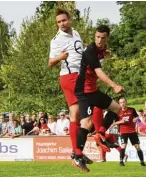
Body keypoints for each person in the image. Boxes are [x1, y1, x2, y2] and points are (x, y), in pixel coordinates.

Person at [73, 25, 124, 172]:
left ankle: (101, 134)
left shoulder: (101, 49)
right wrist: (114, 86)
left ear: (107, 37)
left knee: (117, 108)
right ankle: (77, 156)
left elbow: (102, 52)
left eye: (103, 38)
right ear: (94, 36)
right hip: (83, 91)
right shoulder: (90, 51)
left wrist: (105, 53)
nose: (100, 40)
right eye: (97, 37)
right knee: (86, 123)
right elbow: (99, 73)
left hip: (93, 90)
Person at [48, 8, 92, 165]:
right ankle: (77, 151)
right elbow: (50, 62)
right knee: (85, 114)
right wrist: (60, 57)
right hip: (70, 76)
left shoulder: (76, 33)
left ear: (69, 19)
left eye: (64, 20)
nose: (62, 24)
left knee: (77, 115)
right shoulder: (56, 40)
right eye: (59, 22)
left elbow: (80, 50)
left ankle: (77, 152)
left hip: (78, 76)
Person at [110, 97, 146, 166]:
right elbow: (114, 123)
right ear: (119, 104)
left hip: (132, 131)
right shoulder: (118, 111)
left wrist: (136, 119)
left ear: (126, 102)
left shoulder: (132, 109)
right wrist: (121, 121)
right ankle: (121, 161)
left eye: (123, 102)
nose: (122, 104)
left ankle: (142, 162)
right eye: (121, 103)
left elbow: (137, 117)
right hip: (123, 131)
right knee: (123, 146)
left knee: (137, 147)